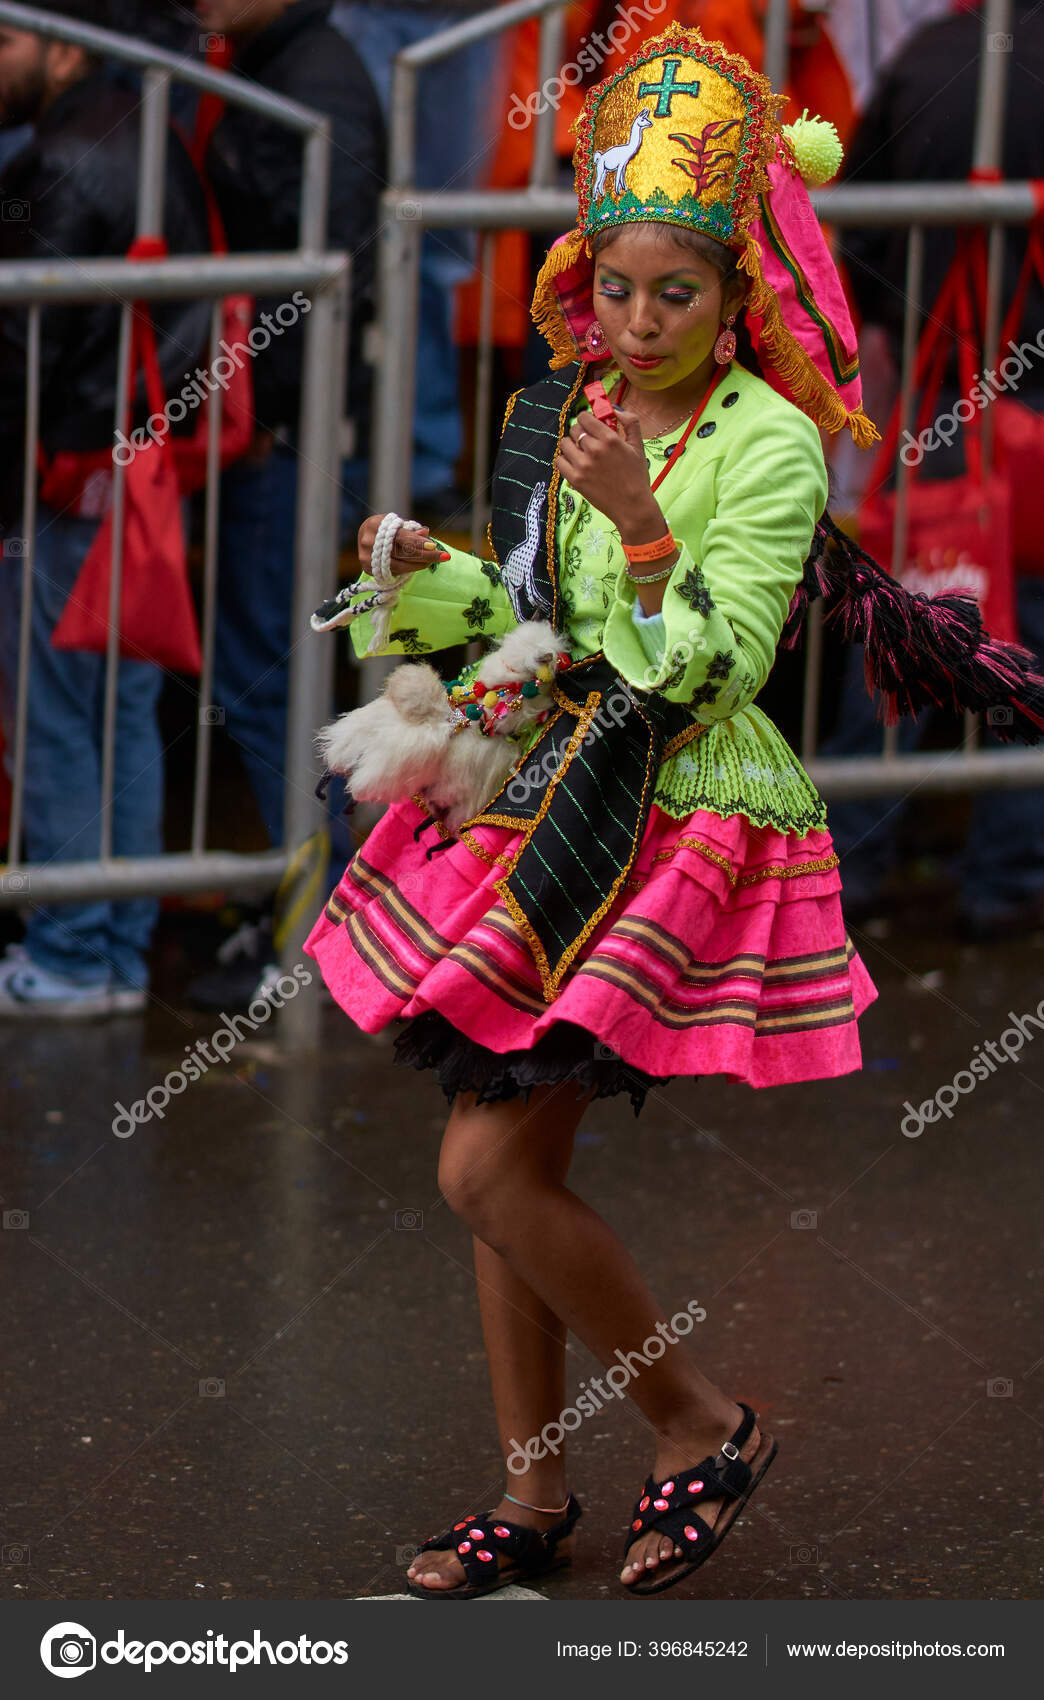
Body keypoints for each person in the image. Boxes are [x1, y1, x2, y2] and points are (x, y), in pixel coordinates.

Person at [303, 23, 1042, 1598]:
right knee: (493, 1154)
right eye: (619, 288)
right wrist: (419, 578)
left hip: (674, 818)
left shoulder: (773, 443)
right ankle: (532, 1487)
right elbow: (535, 620)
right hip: (540, 787)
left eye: (677, 294)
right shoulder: (566, 405)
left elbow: (710, 671)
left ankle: (700, 1415)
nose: (639, 325)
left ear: (738, 294)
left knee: (483, 1174)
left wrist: (643, 535)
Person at [0, 0, 210, 1017]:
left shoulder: (58, 162)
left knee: (57, 715)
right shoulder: (147, 126)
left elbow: (21, 355)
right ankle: (118, 946)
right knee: (119, 711)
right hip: (134, 467)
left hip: (70, 474)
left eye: (5, 40)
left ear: (67, 46)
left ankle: (75, 951)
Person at [821, 0, 1044, 938]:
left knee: (906, 613)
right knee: (1031, 628)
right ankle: (1009, 877)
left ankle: (847, 866)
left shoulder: (931, 53)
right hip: (1030, 400)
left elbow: (864, 242)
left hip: (939, 387)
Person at [187, 0, 385, 1007]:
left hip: (283, 432)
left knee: (274, 675)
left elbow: (327, 269)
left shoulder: (318, 78)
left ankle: (325, 934)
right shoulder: (275, 58)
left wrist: (264, 406)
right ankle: (308, 920)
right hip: (261, 425)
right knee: (265, 669)